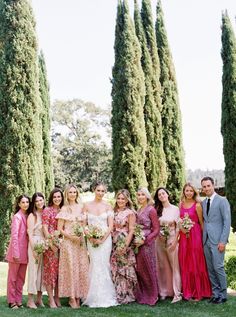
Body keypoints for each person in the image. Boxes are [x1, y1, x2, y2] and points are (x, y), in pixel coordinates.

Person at [83, 181, 118, 308]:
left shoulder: (108, 206)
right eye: (98, 190)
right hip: (91, 240)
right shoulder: (86, 205)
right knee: (94, 264)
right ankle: (92, 296)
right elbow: (84, 225)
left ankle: (106, 295)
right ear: (94, 190)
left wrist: (102, 239)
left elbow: (110, 226)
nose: (101, 193)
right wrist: (90, 236)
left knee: (104, 264)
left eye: (103, 191)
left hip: (105, 240)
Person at [56, 184, 89, 308]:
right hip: (68, 243)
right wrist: (71, 237)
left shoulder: (82, 207)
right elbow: (60, 229)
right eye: (70, 192)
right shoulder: (64, 209)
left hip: (80, 242)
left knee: (80, 268)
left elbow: (84, 225)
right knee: (70, 269)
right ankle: (71, 297)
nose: (72, 194)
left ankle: (79, 295)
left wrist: (82, 234)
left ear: (77, 193)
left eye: (74, 192)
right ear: (66, 194)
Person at [178, 183, 212, 301]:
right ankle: (187, 291)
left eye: (191, 191)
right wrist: (181, 229)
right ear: (184, 192)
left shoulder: (198, 205)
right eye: (186, 191)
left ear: (194, 192)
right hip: (183, 236)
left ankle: (199, 291)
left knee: (195, 261)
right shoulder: (180, 204)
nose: (188, 193)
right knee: (185, 262)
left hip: (195, 235)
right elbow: (179, 220)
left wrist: (203, 238)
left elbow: (202, 223)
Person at [201, 176, 231, 304]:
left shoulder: (222, 201)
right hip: (206, 240)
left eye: (208, 185)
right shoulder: (203, 203)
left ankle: (223, 295)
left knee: (218, 267)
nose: (206, 188)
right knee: (210, 268)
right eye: (204, 186)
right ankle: (215, 293)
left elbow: (227, 221)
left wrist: (223, 241)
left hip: (218, 240)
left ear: (213, 185)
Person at [154, 187, 182, 304]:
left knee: (174, 266)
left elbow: (178, 227)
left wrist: (175, 241)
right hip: (159, 240)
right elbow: (154, 226)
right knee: (161, 266)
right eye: (159, 195)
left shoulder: (175, 209)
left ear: (167, 194)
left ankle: (177, 293)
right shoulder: (156, 210)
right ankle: (164, 292)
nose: (162, 196)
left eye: (163, 193)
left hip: (171, 239)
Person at [111, 189, 137, 304]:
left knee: (125, 267)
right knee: (116, 267)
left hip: (124, 241)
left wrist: (125, 245)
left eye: (123, 199)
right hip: (114, 242)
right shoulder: (114, 212)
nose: (120, 200)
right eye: (119, 198)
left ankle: (127, 294)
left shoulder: (130, 213)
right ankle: (118, 292)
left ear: (127, 200)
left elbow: (131, 230)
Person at [135, 187, 159, 306]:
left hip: (147, 244)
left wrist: (144, 240)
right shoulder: (139, 210)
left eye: (142, 195)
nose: (140, 197)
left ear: (147, 196)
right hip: (137, 243)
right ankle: (143, 294)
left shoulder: (151, 210)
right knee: (140, 269)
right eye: (138, 195)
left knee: (149, 269)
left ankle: (153, 295)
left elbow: (156, 230)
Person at [6, 194, 30, 309]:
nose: (25, 204)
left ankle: (18, 300)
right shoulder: (17, 217)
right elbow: (14, 236)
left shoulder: (27, 216)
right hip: (16, 253)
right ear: (19, 204)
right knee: (13, 278)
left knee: (21, 278)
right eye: (23, 202)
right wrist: (15, 253)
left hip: (25, 253)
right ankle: (11, 301)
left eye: (27, 202)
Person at [42, 188, 64, 308]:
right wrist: (51, 244)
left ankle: (57, 297)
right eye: (55, 197)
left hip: (63, 245)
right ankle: (50, 300)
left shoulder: (63, 210)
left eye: (59, 197)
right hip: (51, 245)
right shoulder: (47, 210)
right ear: (51, 198)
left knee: (59, 273)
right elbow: (45, 228)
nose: (57, 199)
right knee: (50, 272)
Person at [27, 192, 46, 309]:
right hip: (34, 243)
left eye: (41, 200)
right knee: (33, 271)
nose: (39, 203)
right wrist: (34, 249)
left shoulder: (45, 213)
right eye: (37, 201)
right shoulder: (32, 216)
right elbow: (29, 233)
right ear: (34, 203)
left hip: (44, 244)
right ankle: (30, 300)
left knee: (42, 272)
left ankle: (39, 299)